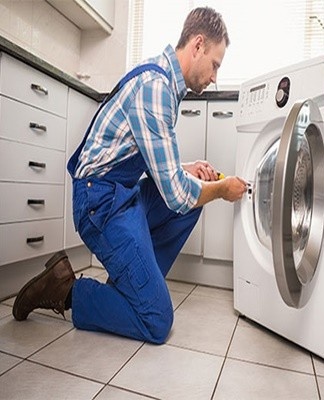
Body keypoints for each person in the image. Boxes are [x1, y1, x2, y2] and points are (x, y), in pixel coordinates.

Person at [13, 7, 247, 344]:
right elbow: (177, 195)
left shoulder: (165, 83)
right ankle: (66, 290)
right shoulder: (155, 88)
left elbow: (150, 161)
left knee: (192, 198)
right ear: (197, 45)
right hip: (99, 204)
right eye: (215, 64)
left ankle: (132, 286)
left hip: (122, 193)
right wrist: (221, 188)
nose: (214, 78)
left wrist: (185, 169)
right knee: (156, 321)